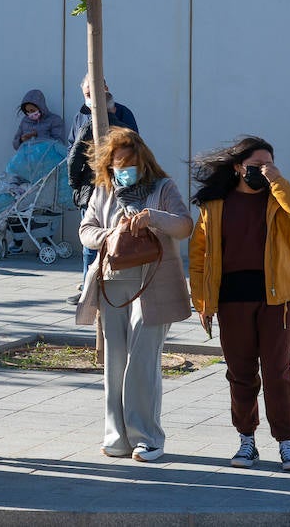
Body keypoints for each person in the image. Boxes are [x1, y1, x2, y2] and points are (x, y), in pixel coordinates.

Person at [189, 136, 290, 473]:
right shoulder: (215, 205)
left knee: (277, 373)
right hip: (232, 301)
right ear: (236, 167)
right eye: (254, 166)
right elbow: (199, 257)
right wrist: (202, 302)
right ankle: (247, 440)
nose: (260, 171)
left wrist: (277, 180)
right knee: (241, 375)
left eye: (267, 165)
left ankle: (287, 443)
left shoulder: (278, 199)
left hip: (276, 299)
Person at [74, 127, 191, 462]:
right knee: (116, 360)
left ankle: (147, 437)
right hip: (113, 282)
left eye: (128, 162)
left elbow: (184, 225)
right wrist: (109, 236)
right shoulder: (103, 190)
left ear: (143, 161)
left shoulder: (162, 187)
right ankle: (117, 436)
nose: (121, 168)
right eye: (116, 163)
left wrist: (153, 217)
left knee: (142, 359)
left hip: (154, 282)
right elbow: (86, 230)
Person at [66, 76, 139, 303]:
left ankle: (118, 282)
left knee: (119, 235)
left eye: (94, 93)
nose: (90, 98)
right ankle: (88, 286)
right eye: (87, 94)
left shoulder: (123, 114)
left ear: (105, 89)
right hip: (91, 187)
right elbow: (72, 150)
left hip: (117, 187)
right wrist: (79, 186)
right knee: (90, 238)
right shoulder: (81, 116)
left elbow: (135, 146)